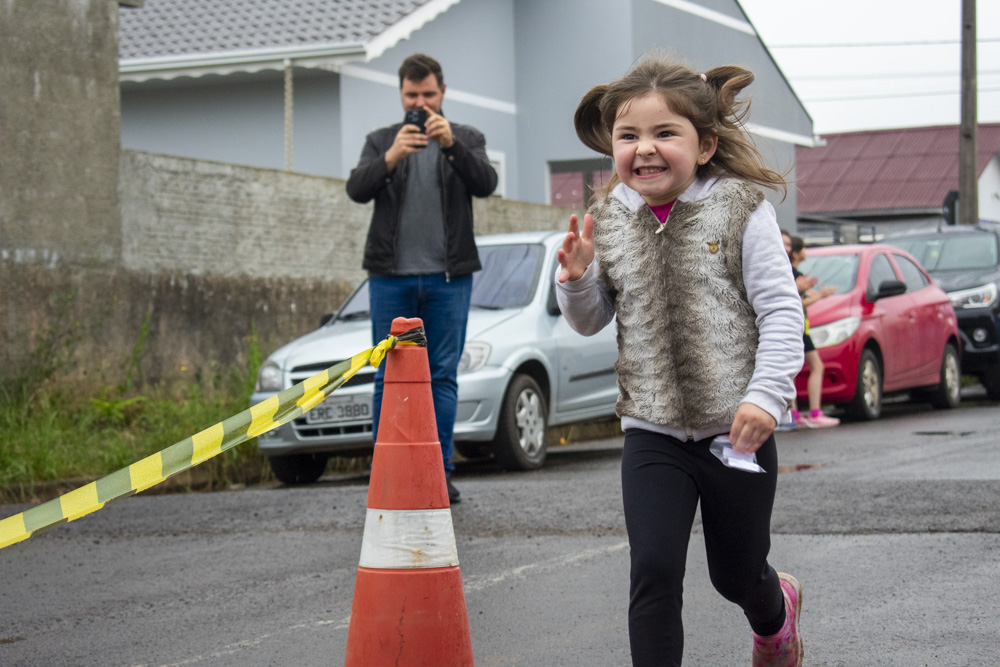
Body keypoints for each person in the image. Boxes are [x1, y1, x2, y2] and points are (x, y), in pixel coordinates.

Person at [556, 55, 805, 666]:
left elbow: (780, 312)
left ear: (705, 143)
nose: (645, 148)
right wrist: (578, 277)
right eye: (629, 135)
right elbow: (591, 319)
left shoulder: (742, 207)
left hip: (737, 431)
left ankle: (776, 617)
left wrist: (765, 397)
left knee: (737, 575)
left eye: (665, 133)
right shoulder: (609, 218)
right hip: (652, 432)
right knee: (655, 571)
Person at [346, 54, 498, 503]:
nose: (421, 104)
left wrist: (451, 145)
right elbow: (356, 189)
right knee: (385, 376)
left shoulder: (467, 137)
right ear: (401, 95)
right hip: (390, 276)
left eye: (428, 95)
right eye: (412, 96)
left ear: (443, 93)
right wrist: (391, 157)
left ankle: (440, 470)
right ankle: (388, 472)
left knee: (441, 376)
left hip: (448, 279)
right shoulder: (380, 140)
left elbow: (486, 183)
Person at [788, 235, 839, 428]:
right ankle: (811, 413)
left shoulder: (795, 273)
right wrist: (818, 297)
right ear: (796, 252)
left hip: (802, 326)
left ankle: (796, 414)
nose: (805, 252)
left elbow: (803, 296)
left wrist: (820, 294)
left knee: (797, 369)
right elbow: (798, 301)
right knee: (815, 366)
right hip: (800, 327)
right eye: (803, 248)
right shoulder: (792, 273)